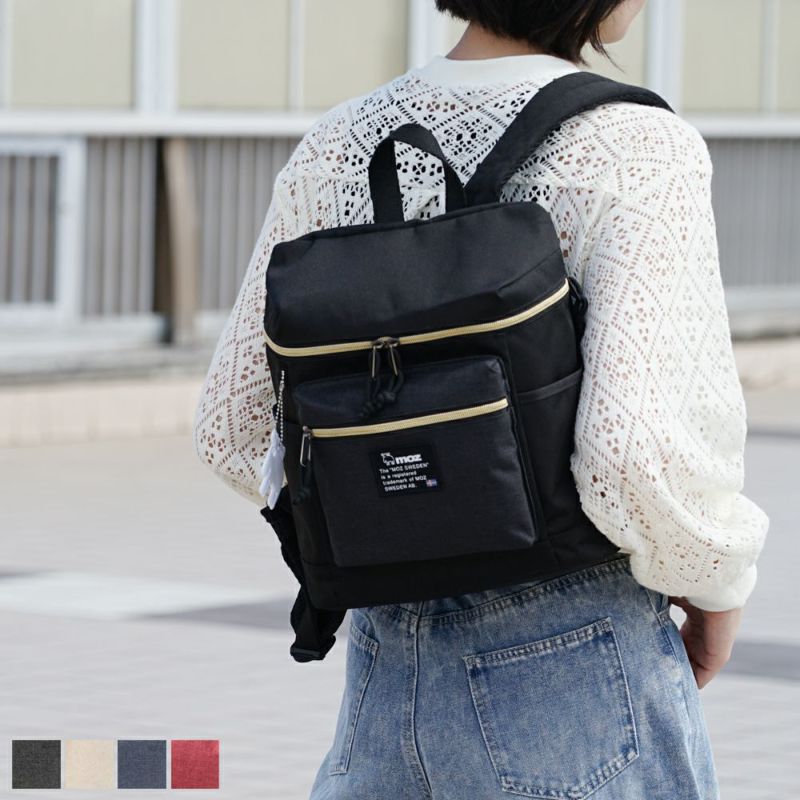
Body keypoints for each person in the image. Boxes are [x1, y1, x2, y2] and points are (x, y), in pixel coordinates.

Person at [192, 1, 770, 796]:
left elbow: (231, 428)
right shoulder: (636, 146)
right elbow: (632, 455)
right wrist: (716, 583)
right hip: (577, 666)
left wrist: (393, 510)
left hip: (385, 668)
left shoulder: (338, 142)